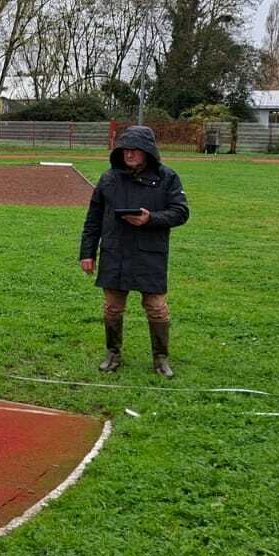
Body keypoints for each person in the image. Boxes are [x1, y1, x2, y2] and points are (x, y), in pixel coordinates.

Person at [79, 125, 189, 377]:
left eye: (135, 150)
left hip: (150, 253)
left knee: (156, 308)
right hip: (115, 251)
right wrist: (87, 253)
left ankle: (161, 358)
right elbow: (93, 219)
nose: (129, 154)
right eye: (125, 149)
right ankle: (113, 353)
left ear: (147, 151)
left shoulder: (167, 177)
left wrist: (151, 219)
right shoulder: (109, 178)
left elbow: (181, 212)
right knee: (112, 308)